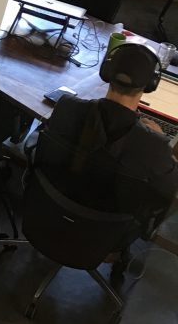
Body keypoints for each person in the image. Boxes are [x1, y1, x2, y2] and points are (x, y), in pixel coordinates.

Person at [32, 42, 177, 256]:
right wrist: (160, 139)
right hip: (102, 235)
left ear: (106, 72)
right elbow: (169, 190)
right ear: (151, 84)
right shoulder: (153, 146)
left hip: (49, 209)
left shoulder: (67, 107)